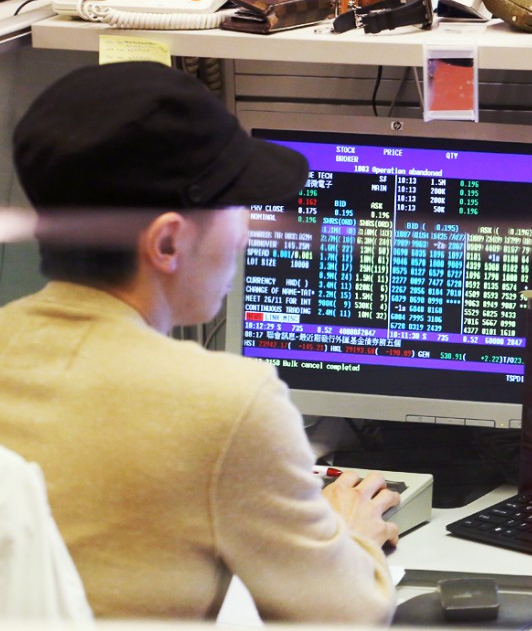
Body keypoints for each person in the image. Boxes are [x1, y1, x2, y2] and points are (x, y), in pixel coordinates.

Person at [0, 61, 400, 622]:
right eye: (238, 206)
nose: (245, 231)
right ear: (167, 242)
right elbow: (345, 614)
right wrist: (347, 532)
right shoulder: (224, 401)